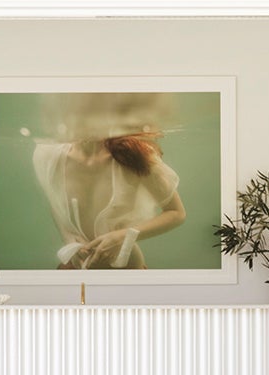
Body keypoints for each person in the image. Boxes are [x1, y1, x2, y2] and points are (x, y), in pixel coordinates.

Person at [31, 94, 187, 270]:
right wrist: (68, 237)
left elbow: (176, 212)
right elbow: (56, 202)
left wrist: (123, 236)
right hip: (76, 267)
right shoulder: (50, 156)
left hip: (127, 271)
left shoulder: (135, 156)